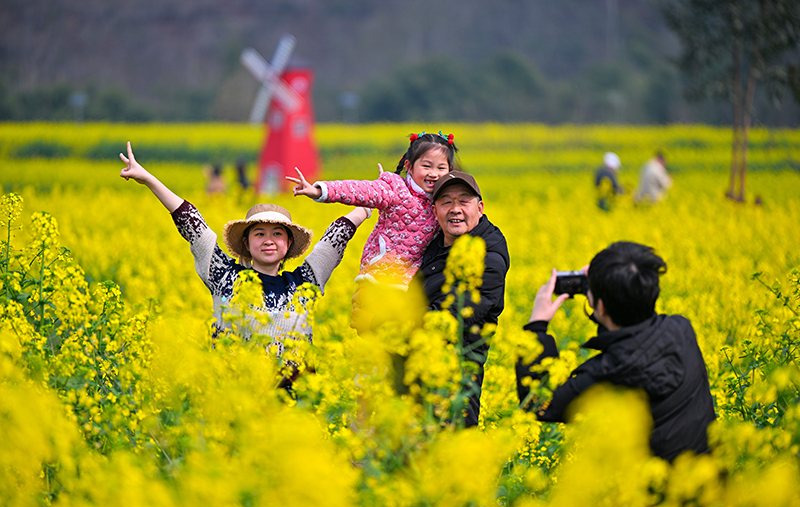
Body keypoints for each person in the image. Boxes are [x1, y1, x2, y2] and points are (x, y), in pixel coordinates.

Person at [119, 141, 369, 356]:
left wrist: (373, 203)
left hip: (295, 404)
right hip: (234, 400)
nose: (268, 240)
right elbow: (192, 224)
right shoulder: (225, 277)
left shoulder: (304, 283)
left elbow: (337, 237)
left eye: (277, 234)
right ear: (247, 244)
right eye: (259, 234)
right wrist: (149, 180)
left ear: (289, 243)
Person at [515, 242, 716, 461]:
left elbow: (539, 403)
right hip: (708, 481)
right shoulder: (681, 330)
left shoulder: (607, 373)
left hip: (647, 492)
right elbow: (632, 334)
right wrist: (606, 293)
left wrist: (537, 325)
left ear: (600, 307)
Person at [287, 131, 458, 289]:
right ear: (409, 166)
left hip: (412, 287)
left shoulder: (445, 201)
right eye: (427, 166)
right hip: (378, 279)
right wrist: (320, 190)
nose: (434, 174)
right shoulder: (395, 189)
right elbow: (359, 190)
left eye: (441, 168)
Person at [416, 171, 510, 428]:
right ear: (434, 211)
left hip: (455, 382)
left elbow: (448, 318)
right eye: (446, 202)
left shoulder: (488, 255)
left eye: (463, 201)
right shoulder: (436, 244)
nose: (455, 209)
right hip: (418, 371)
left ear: (479, 208)